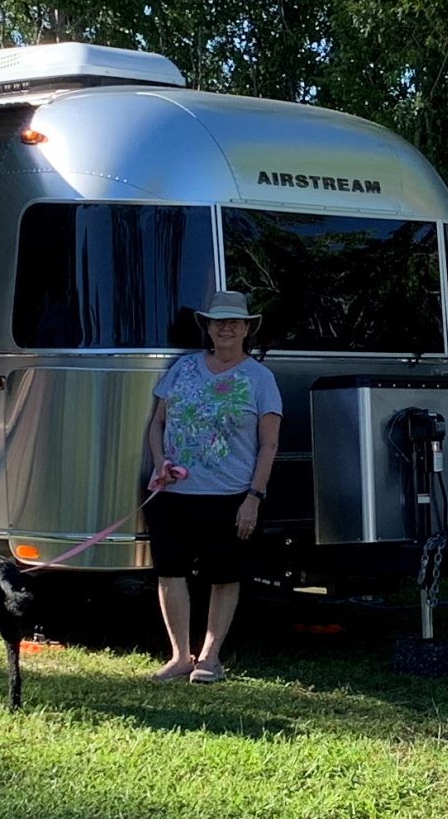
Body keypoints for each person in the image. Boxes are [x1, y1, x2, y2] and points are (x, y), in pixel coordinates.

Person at [145, 290, 282, 684]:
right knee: (170, 572)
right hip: (172, 493)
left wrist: (253, 498)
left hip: (230, 496)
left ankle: (210, 657)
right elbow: (157, 422)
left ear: (246, 330)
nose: (226, 328)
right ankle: (179, 657)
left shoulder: (260, 379)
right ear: (207, 327)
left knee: (224, 576)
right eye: (219, 321)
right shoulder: (183, 368)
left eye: (234, 322)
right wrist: (159, 461)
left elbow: (269, 445)